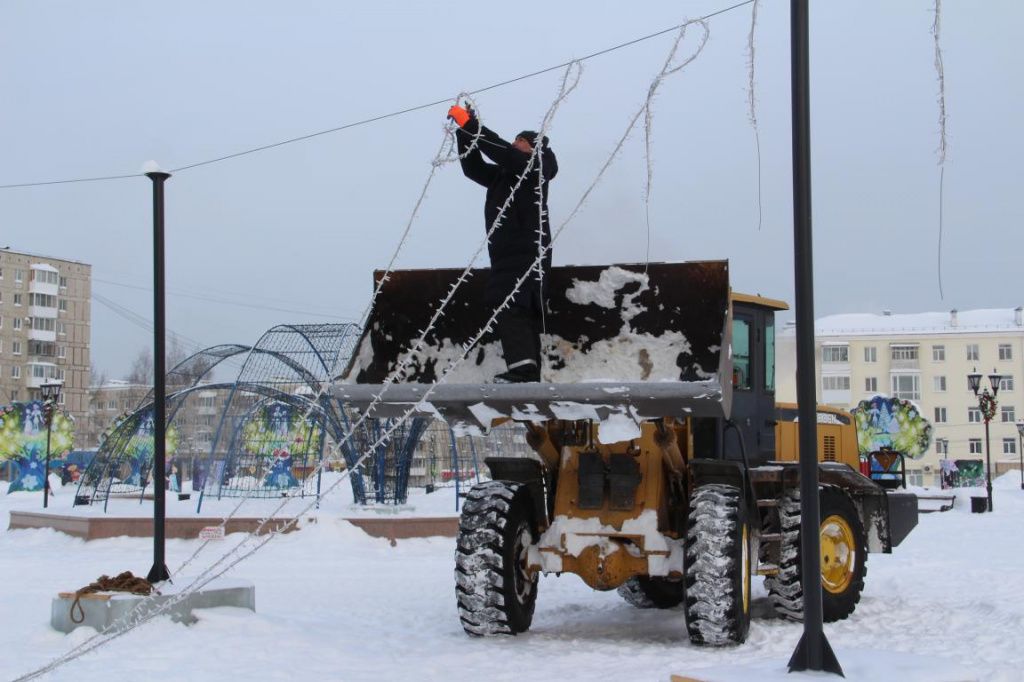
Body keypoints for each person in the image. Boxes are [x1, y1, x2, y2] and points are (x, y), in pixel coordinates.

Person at [448, 103, 558, 383]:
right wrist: (464, 133)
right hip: (505, 254)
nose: (513, 144)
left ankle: (524, 371)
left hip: (527, 252)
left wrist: (473, 127)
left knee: (513, 303)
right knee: (510, 304)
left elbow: (502, 152)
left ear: (534, 147)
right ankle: (527, 370)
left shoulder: (536, 167)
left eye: (519, 141)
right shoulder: (505, 176)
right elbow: (473, 168)